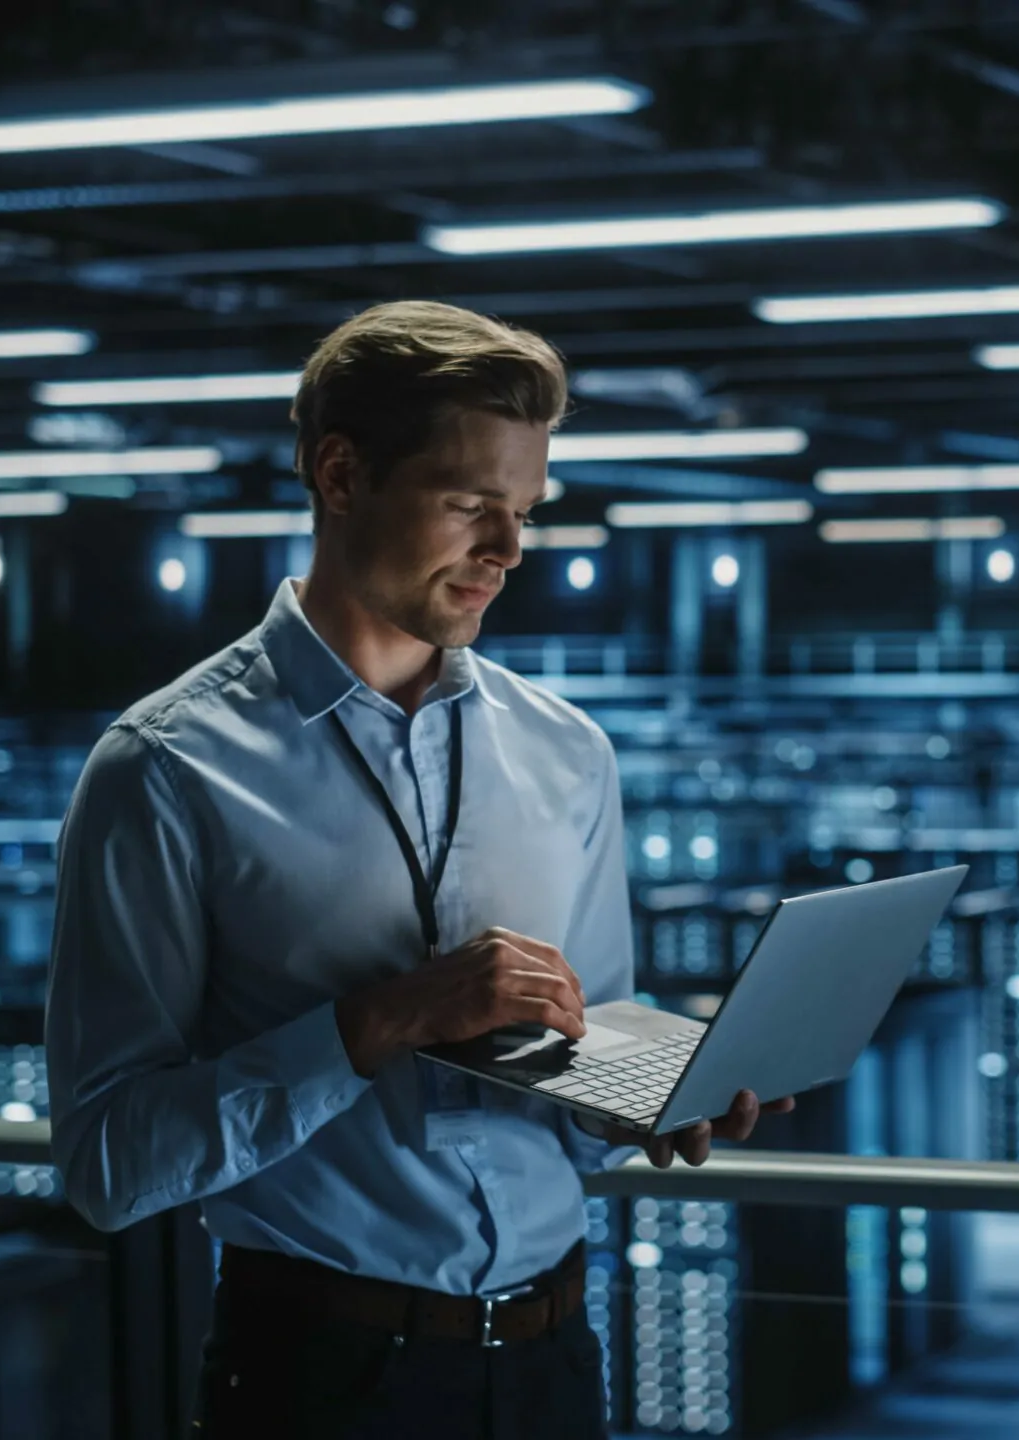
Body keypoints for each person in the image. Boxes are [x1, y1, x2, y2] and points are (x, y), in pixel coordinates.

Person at [45, 299, 785, 1438]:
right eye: (469, 505)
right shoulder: (166, 768)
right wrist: (375, 1021)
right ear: (339, 475)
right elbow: (107, 1162)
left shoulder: (567, 752)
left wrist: (646, 1095)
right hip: (321, 1378)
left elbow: (584, 1032)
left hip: (555, 1361)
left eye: (526, 512)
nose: (509, 550)